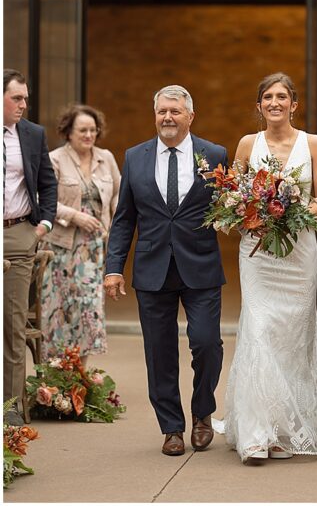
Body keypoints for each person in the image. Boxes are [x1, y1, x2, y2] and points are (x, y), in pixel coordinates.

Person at [217, 73, 317, 464]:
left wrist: (291, 214)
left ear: (294, 104)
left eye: (282, 97)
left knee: (293, 334)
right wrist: (249, 213)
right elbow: (230, 196)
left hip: (300, 250)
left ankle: (290, 426)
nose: (275, 103)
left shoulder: (314, 144)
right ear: (259, 106)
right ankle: (258, 434)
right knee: (259, 327)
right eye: (268, 97)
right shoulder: (246, 144)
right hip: (259, 252)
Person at [103, 85, 229, 457]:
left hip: (201, 267)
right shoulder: (135, 157)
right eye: (162, 111)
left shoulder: (215, 154)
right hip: (152, 268)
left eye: (175, 111)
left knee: (207, 343)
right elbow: (124, 219)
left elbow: (230, 207)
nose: (168, 118)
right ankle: (172, 427)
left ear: (190, 116)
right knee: (159, 353)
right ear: (155, 115)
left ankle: (202, 412)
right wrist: (114, 268)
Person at [37, 104, 121, 364]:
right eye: (82, 130)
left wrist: (116, 222)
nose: (88, 135)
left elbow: (119, 193)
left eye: (93, 130)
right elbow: (43, 199)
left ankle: (80, 379)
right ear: (68, 132)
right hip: (61, 248)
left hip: (94, 249)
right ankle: (56, 379)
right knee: (59, 312)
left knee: (88, 310)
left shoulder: (105, 158)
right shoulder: (55, 159)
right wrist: (75, 216)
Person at [3, 69, 57, 424]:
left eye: (25, 98)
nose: (24, 104)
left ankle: (11, 411)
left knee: (13, 324)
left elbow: (48, 184)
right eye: (17, 98)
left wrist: (43, 226)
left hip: (19, 234)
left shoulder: (33, 134)